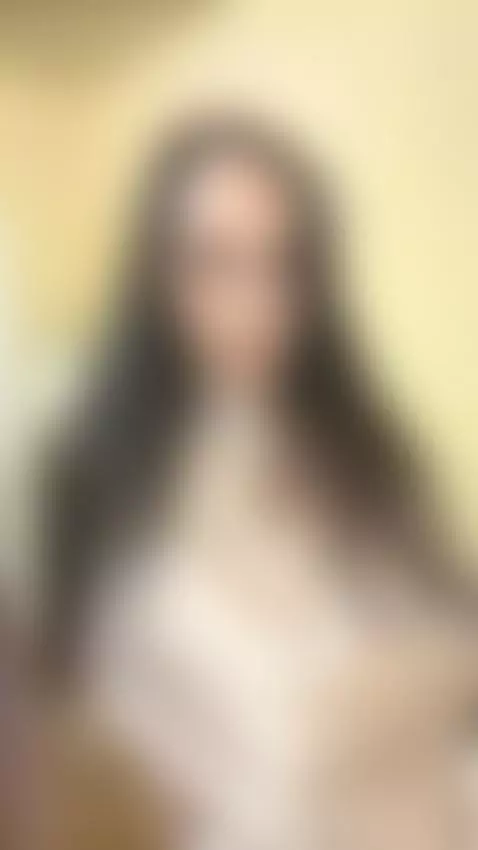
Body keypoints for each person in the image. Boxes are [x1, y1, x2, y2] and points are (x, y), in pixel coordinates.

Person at [44, 113, 477, 850]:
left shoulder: (364, 445)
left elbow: (456, 641)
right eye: (214, 263)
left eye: (283, 266)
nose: (256, 306)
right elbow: (112, 731)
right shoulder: (97, 476)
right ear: (156, 276)